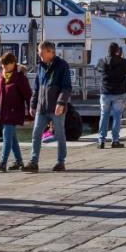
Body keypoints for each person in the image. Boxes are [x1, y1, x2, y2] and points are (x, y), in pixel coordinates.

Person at [0, 52, 33, 172]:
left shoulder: (20, 77)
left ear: (13, 63)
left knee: (7, 138)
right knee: (12, 138)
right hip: (4, 112)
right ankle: (19, 161)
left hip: (14, 112)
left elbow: (28, 96)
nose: (3, 67)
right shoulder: (0, 77)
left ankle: (2, 162)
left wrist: (31, 112)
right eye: (2, 65)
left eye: (6, 65)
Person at [29, 41, 72, 172]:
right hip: (42, 107)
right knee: (36, 133)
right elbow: (37, 88)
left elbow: (66, 87)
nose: (39, 54)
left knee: (59, 134)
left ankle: (60, 162)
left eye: (41, 52)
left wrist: (61, 103)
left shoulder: (62, 65)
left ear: (50, 52)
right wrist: (33, 104)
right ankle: (33, 161)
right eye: (39, 52)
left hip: (56, 108)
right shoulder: (40, 66)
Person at [96, 42, 126, 149]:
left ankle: (101, 141)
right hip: (119, 93)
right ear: (118, 51)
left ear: (108, 50)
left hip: (105, 92)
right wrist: (122, 58)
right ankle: (115, 141)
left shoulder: (102, 61)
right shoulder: (123, 62)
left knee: (104, 116)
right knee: (117, 117)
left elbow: (97, 69)